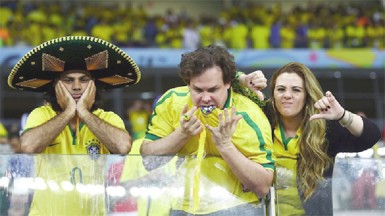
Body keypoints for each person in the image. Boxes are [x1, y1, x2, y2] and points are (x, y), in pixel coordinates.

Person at [7, 35, 141, 215]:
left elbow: (123, 146)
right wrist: (69, 111)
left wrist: (84, 112)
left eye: (84, 80)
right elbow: (29, 146)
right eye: (68, 80)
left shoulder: (107, 118)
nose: (77, 86)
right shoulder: (41, 115)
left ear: (94, 86)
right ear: (55, 86)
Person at [140, 44, 275, 215]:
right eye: (197, 90)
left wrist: (225, 146)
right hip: (181, 208)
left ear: (228, 83)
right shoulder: (172, 101)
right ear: (188, 84)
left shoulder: (250, 115)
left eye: (213, 90)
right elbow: (148, 161)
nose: (205, 98)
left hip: (237, 208)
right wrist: (181, 134)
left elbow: (263, 186)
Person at [235, 62, 381, 215]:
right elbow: (222, 83)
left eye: (296, 90)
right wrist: (244, 79)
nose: (287, 95)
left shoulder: (322, 129)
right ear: (273, 93)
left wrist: (342, 115)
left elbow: (371, 136)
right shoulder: (260, 118)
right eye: (281, 89)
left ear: (307, 95)